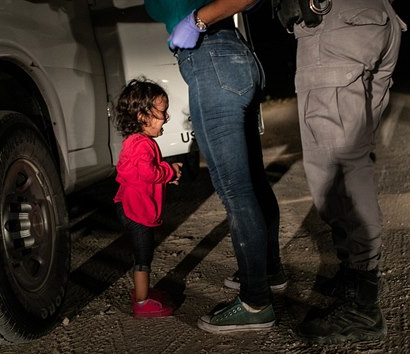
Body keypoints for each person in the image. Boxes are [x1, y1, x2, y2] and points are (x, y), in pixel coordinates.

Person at [144, 0, 287, 333]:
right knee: (252, 180)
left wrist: (195, 22)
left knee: (236, 190)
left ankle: (255, 303)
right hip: (236, 56)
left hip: (210, 61)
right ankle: (268, 271)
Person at [272, 0, 406, 344]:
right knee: (354, 154)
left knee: (339, 166)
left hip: (337, 22)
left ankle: (362, 306)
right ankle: (354, 274)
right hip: (376, 19)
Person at [112, 78, 183, 318]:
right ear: (143, 116)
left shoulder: (136, 142)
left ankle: (143, 292)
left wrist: (166, 174)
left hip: (130, 206)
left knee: (142, 253)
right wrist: (169, 171)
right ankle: (141, 302)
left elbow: (140, 172)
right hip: (136, 211)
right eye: (161, 113)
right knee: (143, 256)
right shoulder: (141, 144)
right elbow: (146, 172)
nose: (166, 118)